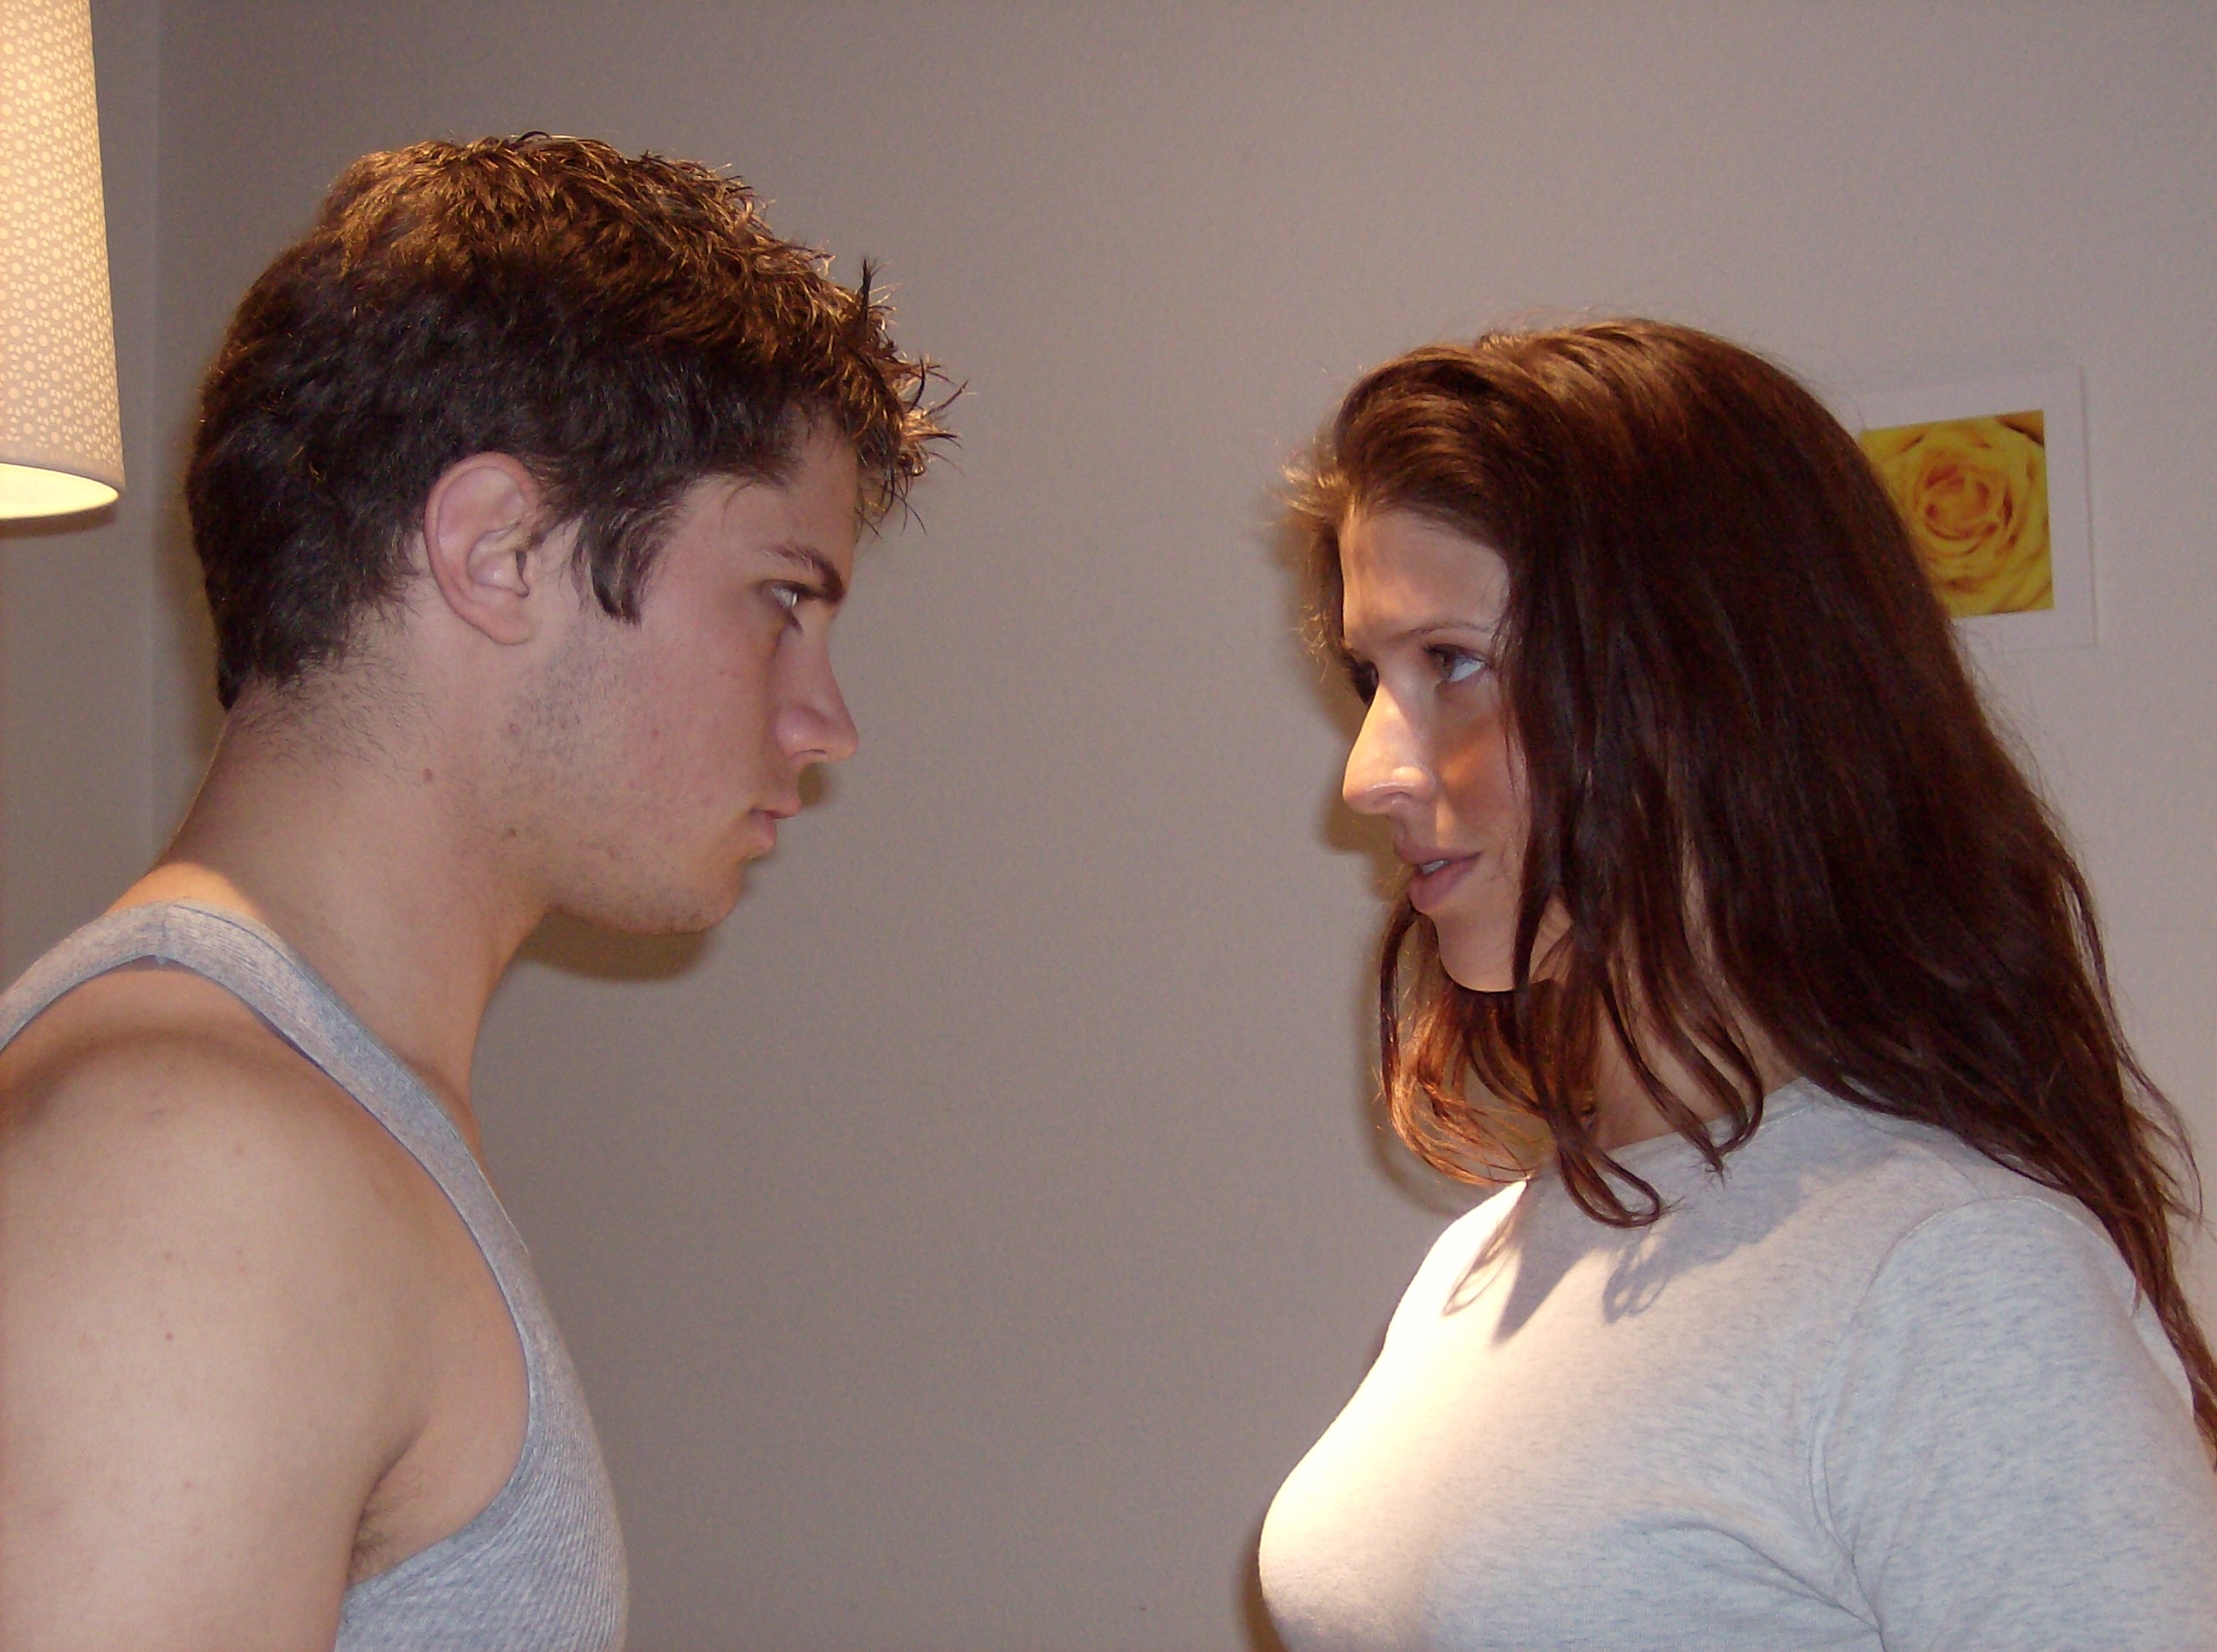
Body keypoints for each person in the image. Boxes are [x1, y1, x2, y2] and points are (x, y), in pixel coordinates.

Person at [0, 136, 944, 1651]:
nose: (824, 724)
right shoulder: (198, 1164)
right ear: (500, 551)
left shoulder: (297, 1112)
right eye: (780, 600)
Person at [1257, 320, 2217, 1650]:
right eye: (1373, 677)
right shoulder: (1482, 1264)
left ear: (1711, 684)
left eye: (1452, 663)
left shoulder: (1952, 1276)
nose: (1370, 774)